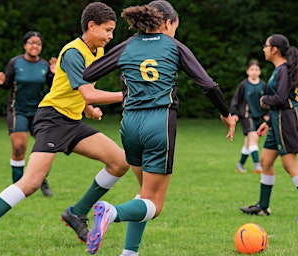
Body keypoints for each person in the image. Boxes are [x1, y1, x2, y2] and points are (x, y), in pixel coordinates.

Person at [0, 3, 130, 254]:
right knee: (32, 182)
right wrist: (125, 94)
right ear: (91, 26)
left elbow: (75, 88)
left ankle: (76, 213)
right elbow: (88, 92)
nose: (111, 36)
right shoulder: (73, 52)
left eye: (113, 31)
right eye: (107, 30)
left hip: (70, 121)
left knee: (120, 162)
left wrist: (87, 108)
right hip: (52, 119)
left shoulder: (96, 51)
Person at [81, 1, 236, 255]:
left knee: (144, 192)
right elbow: (208, 85)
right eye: (175, 26)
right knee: (155, 204)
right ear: (167, 23)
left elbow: (89, 73)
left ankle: (129, 252)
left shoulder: (127, 45)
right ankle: (112, 211)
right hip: (158, 124)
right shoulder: (173, 46)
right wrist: (226, 114)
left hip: (129, 124)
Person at [239, 34, 298, 221]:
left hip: (287, 120)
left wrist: (263, 100)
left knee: (289, 164)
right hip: (277, 120)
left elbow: (280, 98)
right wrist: (267, 123)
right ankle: (263, 207)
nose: (264, 49)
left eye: (266, 45)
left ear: (274, 49)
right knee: (265, 161)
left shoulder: (283, 69)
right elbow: (279, 100)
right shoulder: (279, 69)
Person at [0, 31, 56, 197]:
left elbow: (54, 88)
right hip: (17, 110)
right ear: (25, 45)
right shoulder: (15, 62)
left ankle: (41, 179)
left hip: (38, 112)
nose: (35, 46)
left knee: (47, 147)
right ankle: (17, 187)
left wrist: (55, 74)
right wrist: (1, 81)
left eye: (38, 43)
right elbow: (7, 83)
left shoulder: (44, 66)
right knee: (19, 147)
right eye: (31, 42)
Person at [230, 59, 266, 174]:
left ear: (260, 71)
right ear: (247, 71)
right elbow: (236, 99)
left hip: (258, 117)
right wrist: (234, 113)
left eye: (256, 69)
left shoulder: (263, 85)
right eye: (252, 69)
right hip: (246, 116)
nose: (254, 72)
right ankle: (257, 165)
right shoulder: (243, 85)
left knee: (248, 141)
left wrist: (268, 114)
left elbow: (267, 101)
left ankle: (240, 165)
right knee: (253, 138)